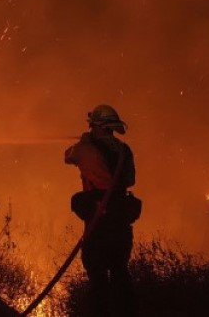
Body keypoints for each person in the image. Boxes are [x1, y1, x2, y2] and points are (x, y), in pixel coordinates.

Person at [65, 104, 140, 317]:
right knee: (120, 273)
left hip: (99, 221)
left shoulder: (86, 149)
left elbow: (68, 156)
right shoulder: (125, 150)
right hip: (120, 222)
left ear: (98, 126)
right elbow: (130, 179)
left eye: (92, 126)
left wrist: (84, 141)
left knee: (98, 281)